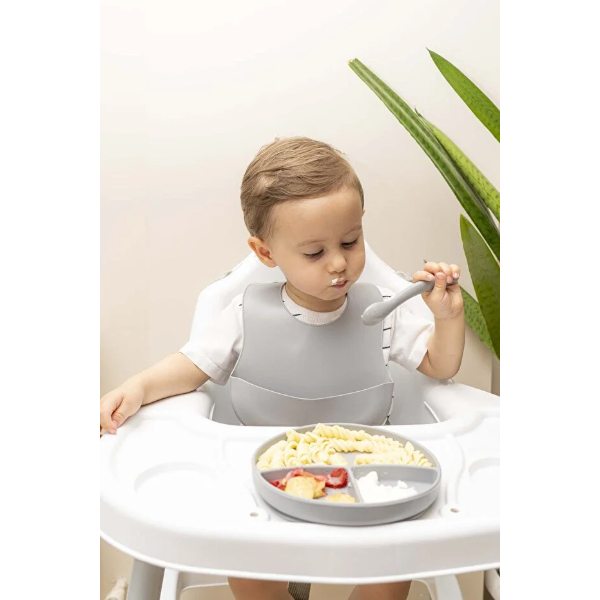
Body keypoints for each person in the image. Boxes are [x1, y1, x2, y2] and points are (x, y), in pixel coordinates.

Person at [100, 137, 465, 600]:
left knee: (395, 566)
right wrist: (137, 387)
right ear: (266, 253)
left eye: (350, 242)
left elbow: (438, 365)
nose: (339, 263)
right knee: (245, 562)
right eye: (315, 253)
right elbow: (190, 367)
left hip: (365, 479)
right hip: (262, 482)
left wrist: (447, 317)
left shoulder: (383, 311)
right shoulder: (243, 314)